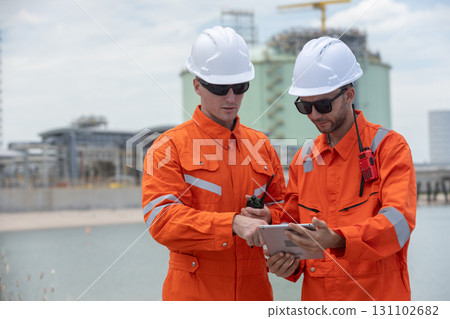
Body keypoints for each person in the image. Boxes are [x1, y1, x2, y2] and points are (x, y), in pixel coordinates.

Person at [266, 37, 417, 301]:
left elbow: (398, 225)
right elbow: (291, 230)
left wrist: (337, 240)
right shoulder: (304, 160)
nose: (314, 115)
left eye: (323, 105)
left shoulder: (389, 148)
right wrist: (286, 261)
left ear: (349, 94)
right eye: (305, 106)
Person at [141, 26, 286, 301]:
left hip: (254, 295)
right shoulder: (168, 147)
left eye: (240, 87)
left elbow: (284, 209)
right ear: (197, 85)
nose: (231, 98)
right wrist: (232, 224)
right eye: (220, 89)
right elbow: (162, 220)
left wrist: (270, 218)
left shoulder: (261, 146)